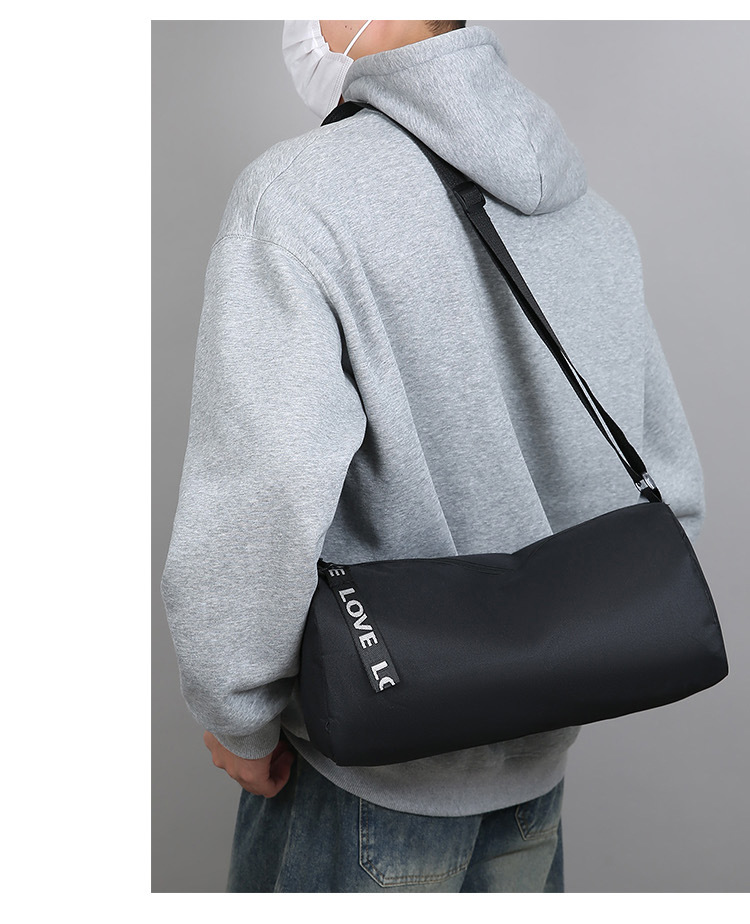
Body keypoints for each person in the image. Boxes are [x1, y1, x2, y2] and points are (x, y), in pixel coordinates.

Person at [160, 20, 706, 892]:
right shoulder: (590, 213)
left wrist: (239, 720)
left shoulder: (296, 199)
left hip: (361, 782)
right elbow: (665, 487)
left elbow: (262, 502)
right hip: (539, 771)